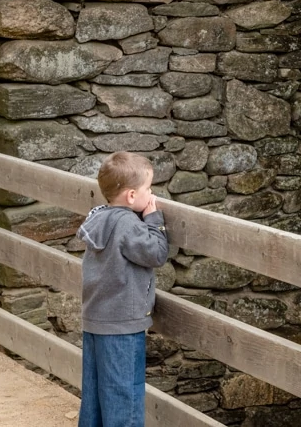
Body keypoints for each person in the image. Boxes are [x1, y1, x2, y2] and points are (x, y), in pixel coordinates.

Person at [76, 151, 169, 427]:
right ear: (131, 196)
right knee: (124, 396)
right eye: (147, 189)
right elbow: (156, 253)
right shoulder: (128, 223)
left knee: (95, 398)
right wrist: (154, 220)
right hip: (122, 326)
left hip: (96, 320)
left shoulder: (99, 217)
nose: (151, 194)